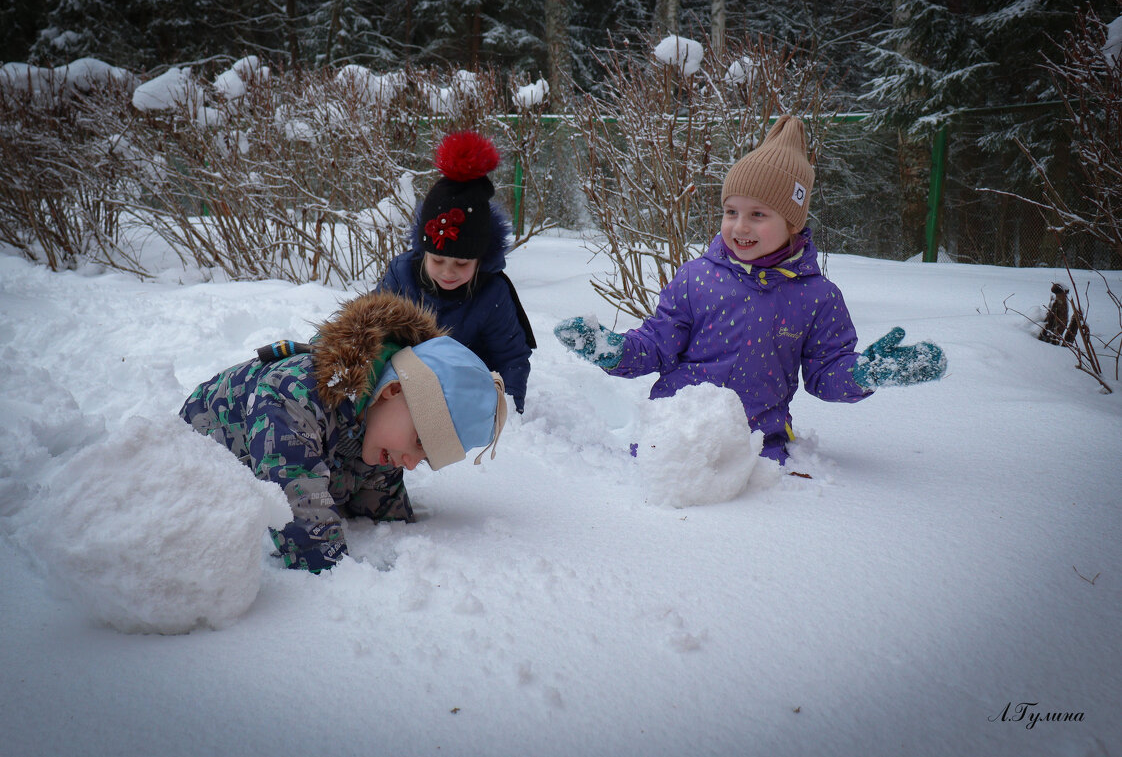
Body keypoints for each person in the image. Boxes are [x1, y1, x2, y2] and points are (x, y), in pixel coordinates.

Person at [554, 115, 946, 464]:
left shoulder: (818, 297)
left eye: (758, 215)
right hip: (674, 436)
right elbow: (657, 345)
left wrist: (864, 374)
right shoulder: (696, 278)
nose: (740, 226)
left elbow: (825, 373)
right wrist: (614, 351)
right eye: (731, 212)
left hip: (758, 445)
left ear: (793, 222)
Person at [180, 291, 507, 572]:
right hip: (185, 475)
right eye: (418, 442)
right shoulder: (294, 396)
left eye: (424, 458)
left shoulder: (380, 432)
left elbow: (384, 513)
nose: (409, 463)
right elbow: (301, 511)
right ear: (391, 391)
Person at [378, 130, 535, 414]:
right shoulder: (402, 275)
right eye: (437, 261)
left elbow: (512, 358)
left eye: (462, 264)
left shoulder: (492, 291)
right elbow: (372, 334)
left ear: (480, 259)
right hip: (404, 388)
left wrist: (506, 414)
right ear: (423, 252)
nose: (448, 273)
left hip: (468, 394)